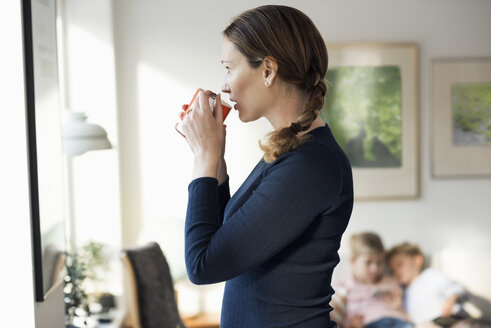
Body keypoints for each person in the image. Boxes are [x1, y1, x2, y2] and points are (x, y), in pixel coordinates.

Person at [177, 5, 353, 328]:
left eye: (229, 68)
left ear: (268, 70)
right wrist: (214, 160)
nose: (225, 85)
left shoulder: (311, 165)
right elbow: (230, 238)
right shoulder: (292, 151)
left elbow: (202, 265)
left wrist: (205, 156)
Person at [332, 232, 413, 328]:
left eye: (379, 262)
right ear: (353, 260)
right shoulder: (343, 286)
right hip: (370, 324)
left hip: (399, 322)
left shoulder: (391, 281)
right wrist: (351, 325)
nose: (374, 269)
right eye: (368, 262)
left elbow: (406, 312)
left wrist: (399, 307)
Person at [387, 242, 468, 327]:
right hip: (428, 324)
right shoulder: (404, 292)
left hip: (448, 318)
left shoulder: (429, 275)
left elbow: (456, 288)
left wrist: (451, 299)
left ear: (417, 260)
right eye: (392, 270)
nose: (396, 272)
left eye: (400, 265)